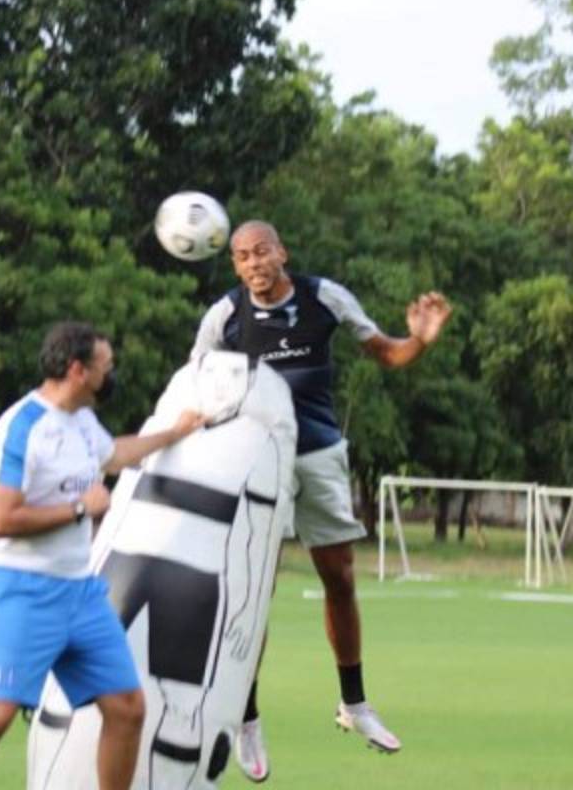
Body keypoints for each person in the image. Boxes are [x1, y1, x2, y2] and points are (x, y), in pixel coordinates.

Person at [191, 220, 451, 781]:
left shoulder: (323, 297)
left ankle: (354, 704)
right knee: (255, 592)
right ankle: (247, 716)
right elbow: (197, 383)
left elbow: (386, 352)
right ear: (234, 266)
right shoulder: (225, 315)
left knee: (341, 578)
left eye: (262, 251)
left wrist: (420, 342)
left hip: (320, 454)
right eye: (241, 256)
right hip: (257, 464)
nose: (253, 263)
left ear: (282, 252)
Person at [0, 321, 206, 790]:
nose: (112, 373)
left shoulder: (82, 420)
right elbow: (1, 518)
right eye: (106, 366)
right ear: (79, 370)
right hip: (21, 589)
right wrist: (82, 507)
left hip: (80, 592)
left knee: (127, 707)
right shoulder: (20, 428)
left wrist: (174, 433)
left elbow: (114, 455)